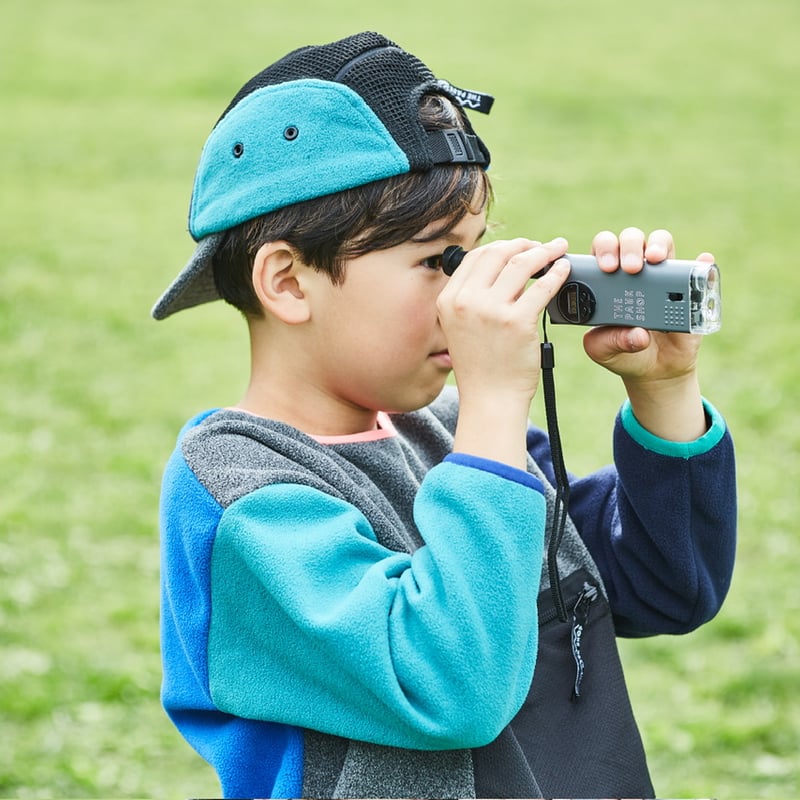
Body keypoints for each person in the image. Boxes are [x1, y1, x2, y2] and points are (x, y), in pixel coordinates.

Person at [152, 31, 737, 799]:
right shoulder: (239, 497)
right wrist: (494, 404)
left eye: (475, 253)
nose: (468, 296)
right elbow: (450, 689)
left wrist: (664, 389)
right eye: (438, 261)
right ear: (288, 282)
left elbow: (665, 585)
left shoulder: (458, 440)